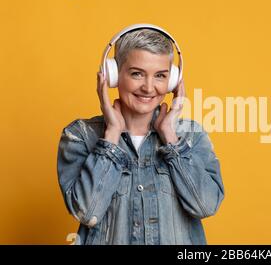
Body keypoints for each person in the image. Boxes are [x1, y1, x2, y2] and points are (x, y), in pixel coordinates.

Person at [57, 27, 225, 245]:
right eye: (137, 73)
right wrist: (112, 135)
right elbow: (87, 212)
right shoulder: (79, 136)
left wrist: (170, 139)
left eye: (160, 76)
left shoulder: (191, 136)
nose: (148, 87)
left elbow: (205, 205)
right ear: (113, 75)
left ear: (173, 81)